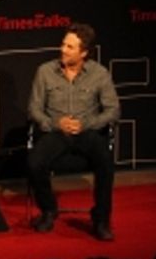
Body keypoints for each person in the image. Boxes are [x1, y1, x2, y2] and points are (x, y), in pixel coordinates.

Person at [27, 22, 120, 241]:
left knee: (105, 162)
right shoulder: (45, 71)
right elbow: (34, 109)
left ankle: (101, 219)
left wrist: (86, 123)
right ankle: (49, 210)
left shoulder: (99, 74)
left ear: (84, 53)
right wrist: (55, 123)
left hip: (87, 132)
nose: (63, 49)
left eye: (70, 47)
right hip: (55, 132)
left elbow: (113, 110)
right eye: (63, 44)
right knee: (34, 163)